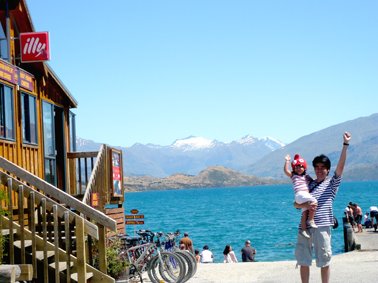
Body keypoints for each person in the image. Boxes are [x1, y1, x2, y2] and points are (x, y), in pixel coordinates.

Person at [294, 131, 351, 283]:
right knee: (303, 260)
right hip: (304, 227)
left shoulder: (332, 184)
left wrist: (345, 145)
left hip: (323, 226)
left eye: (323, 167)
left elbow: (340, 167)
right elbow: (296, 204)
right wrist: (305, 204)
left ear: (327, 169)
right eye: (316, 167)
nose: (319, 169)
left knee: (324, 261)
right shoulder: (309, 184)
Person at [284, 154, 318, 239]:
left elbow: (314, 181)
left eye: (300, 167)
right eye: (296, 167)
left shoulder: (306, 177)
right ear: (294, 169)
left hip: (303, 197)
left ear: (304, 168)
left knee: (304, 212)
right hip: (300, 194)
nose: (298, 169)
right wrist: (287, 161)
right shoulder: (293, 176)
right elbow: (286, 171)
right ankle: (311, 220)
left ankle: (303, 230)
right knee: (314, 201)